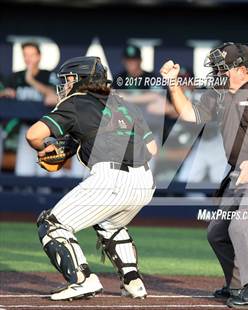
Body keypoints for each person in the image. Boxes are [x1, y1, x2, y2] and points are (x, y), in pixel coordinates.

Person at [160, 42, 248, 308]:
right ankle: (237, 285)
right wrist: (173, 84)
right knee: (217, 232)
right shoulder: (220, 91)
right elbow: (191, 115)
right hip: (239, 171)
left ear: (243, 69)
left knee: (243, 224)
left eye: (223, 68)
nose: (218, 73)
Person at [26, 56, 157, 301]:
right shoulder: (124, 103)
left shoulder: (76, 101)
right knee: (110, 225)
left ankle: (82, 280)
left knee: (51, 224)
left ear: (81, 79)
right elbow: (152, 149)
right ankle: (133, 282)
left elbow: (33, 135)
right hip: (145, 180)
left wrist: (47, 147)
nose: (65, 85)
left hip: (111, 179)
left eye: (69, 79)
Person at [0, 42, 58, 176]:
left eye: (32, 55)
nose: (28, 58)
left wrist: (31, 80)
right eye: (25, 55)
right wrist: (5, 93)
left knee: (45, 174)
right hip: (26, 130)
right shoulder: (16, 77)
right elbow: (5, 91)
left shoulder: (48, 75)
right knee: (23, 172)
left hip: (47, 132)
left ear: (39, 56)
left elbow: (54, 96)